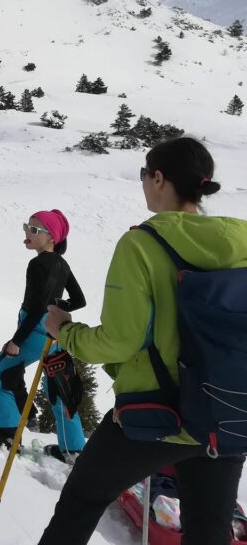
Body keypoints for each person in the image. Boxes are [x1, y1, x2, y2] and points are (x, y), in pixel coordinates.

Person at [39, 137, 247, 544]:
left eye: (143, 174)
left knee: (82, 498)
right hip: (228, 412)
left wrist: (63, 330)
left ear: (158, 178)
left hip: (158, 416)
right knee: (209, 530)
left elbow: (118, 342)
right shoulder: (241, 241)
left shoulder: (141, 244)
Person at [0, 209, 87, 462]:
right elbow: (79, 301)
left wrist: (16, 341)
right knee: (59, 385)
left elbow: (37, 307)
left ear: (51, 238)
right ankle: (73, 448)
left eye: (34, 230)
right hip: (58, 331)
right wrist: (58, 308)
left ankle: (7, 435)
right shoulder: (62, 263)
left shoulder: (38, 264)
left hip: (35, 329)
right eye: (27, 226)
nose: (27, 232)